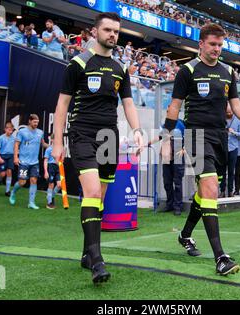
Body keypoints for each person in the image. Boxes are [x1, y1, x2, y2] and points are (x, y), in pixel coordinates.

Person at [162, 23, 240, 276]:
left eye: (220, 45)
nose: (217, 49)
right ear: (201, 44)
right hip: (196, 135)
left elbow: (237, 105)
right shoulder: (187, 71)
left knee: (205, 193)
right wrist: (166, 136)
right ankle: (221, 257)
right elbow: (174, 106)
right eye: (212, 44)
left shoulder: (228, 71)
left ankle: (185, 235)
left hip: (220, 137)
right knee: (210, 190)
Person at [51, 12, 144, 284]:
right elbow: (61, 106)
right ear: (95, 32)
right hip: (82, 134)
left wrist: (137, 131)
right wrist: (58, 141)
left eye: (116, 31)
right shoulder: (78, 64)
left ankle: (85, 253)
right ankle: (97, 260)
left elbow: (127, 104)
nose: (112, 35)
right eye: (107, 30)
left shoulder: (120, 68)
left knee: (99, 199)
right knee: (91, 192)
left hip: (109, 137)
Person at [9, 114, 48, 209]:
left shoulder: (40, 132)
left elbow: (43, 144)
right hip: (23, 162)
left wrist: (53, 147)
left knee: (34, 180)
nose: (36, 124)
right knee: (22, 182)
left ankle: (31, 202)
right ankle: (13, 192)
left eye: (37, 122)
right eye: (34, 122)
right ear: (29, 121)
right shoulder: (22, 132)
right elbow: (16, 145)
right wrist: (15, 157)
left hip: (34, 162)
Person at [220, 104, 240, 198]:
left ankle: (230, 191)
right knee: (222, 171)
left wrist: (234, 132)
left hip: (233, 149)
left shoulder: (238, 121)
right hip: (222, 148)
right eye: (227, 112)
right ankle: (222, 191)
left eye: (230, 112)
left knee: (231, 171)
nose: (229, 113)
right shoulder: (221, 120)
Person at [161, 119, 185, 215]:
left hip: (178, 153)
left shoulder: (181, 124)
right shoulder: (164, 124)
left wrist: (184, 149)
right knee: (167, 182)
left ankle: (178, 206)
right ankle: (169, 204)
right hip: (167, 155)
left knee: (177, 182)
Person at [0, 122, 15, 197]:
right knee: (2, 174)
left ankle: (7, 191)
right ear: (5, 129)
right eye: (9, 129)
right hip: (2, 156)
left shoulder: (14, 138)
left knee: (9, 172)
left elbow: (16, 148)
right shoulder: (1, 137)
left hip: (10, 156)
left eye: (11, 130)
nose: (10, 131)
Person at [43, 136, 61, 210]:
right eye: (55, 139)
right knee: (51, 184)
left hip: (58, 167)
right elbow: (45, 161)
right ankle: (49, 202)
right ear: (52, 140)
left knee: (60, 185)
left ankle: (51, 196)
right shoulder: (49, 149)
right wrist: (46, 172)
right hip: (51, 167)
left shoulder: (60, 149)